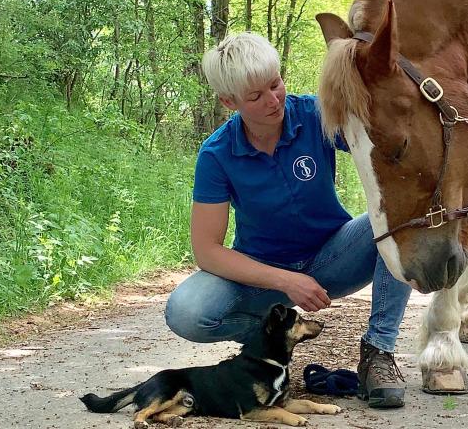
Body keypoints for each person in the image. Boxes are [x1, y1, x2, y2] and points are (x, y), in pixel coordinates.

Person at [164, 32, 412, 408]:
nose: (273, 99)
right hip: (264, 275)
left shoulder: (315, 115)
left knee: (404, 217)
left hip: (335, 257)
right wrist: (286, 280)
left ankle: (378, 351)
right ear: (229, 102)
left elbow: (381, 138)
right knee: (186, 312)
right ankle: (266, 348)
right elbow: (208, 251)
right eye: (255, 96)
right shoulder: (216, 154)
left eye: (275, 84)